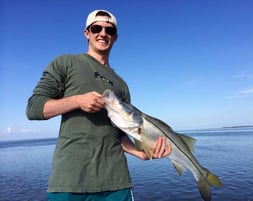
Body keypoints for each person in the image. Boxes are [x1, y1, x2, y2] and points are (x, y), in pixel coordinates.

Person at [26, 9, 171, 201]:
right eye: (96, 28)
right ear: (87, 33)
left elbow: (119, 132)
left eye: (109, 30)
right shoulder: (65, 63)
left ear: (115, 37)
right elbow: (34, 108)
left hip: (116, 183)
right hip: (69, 183)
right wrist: (77, 100)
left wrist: (139, 152)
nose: (103, 33)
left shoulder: (121, 85)